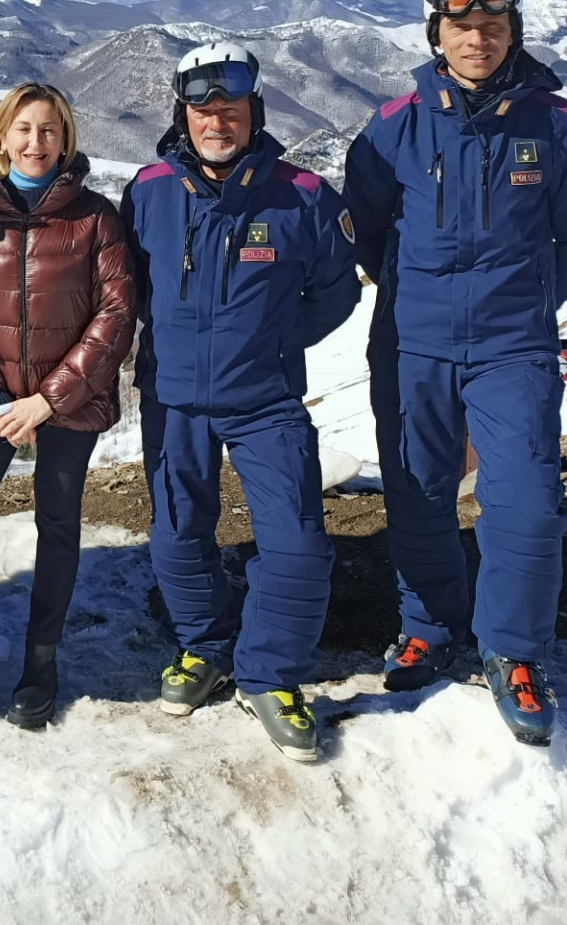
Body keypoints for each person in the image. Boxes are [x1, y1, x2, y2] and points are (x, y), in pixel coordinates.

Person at [345, 0, 567, 745]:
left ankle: (514, 652)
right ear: (437, 34)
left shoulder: (555, 125)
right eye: (461, 27)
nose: (477, 39)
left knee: (526, 501)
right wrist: (409, 293)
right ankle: (427, 624)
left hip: (512, 345)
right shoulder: (396, 123)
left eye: (492, 27)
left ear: (511, 34)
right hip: (411, 342)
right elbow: (365, 223)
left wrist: (527, 297)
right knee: (419, 490)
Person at [120, 42, 360, 764]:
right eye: (202, 109)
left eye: (230, 107)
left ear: (255, 111)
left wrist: (272, 343)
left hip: (265, 401)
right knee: (176, 536)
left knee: (297, 543)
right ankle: (207, 647)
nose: (216, 121)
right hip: (173, 399)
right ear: (183, 116)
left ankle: (268, 674)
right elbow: (125, 286)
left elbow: (337, 293)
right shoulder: (150, 189)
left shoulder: (304, 196)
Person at [0, 82, 135, 729]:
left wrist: (47, 400)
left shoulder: (96, 217)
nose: (36, 142)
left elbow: (116, 315)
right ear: (1, 137)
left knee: (58, 523)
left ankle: (42, 659)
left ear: (65, 140)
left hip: (69, 400)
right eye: (24, 129)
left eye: (49, 130)